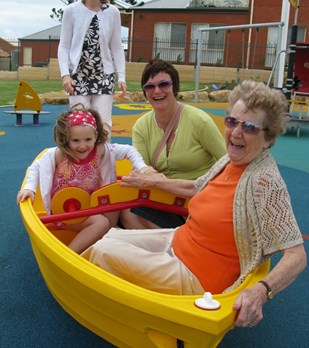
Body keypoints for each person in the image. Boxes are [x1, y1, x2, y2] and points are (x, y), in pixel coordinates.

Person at [82, 80, 306, 328]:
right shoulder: (228, 161)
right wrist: (154, 183)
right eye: (232, 122)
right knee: (108, 238)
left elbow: (297, 255)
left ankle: (100, 306)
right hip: (180, 240)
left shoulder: (265, 181)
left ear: (268, 139)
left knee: (103, 252)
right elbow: (196, 186)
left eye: (250, 127)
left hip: (198, 276)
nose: (236, 133)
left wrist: (261, 292)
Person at [17, 105, 151, 254]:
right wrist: (29, 188)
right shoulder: (60, 155)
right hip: (64, 212)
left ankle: (119, 239)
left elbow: (129, 150)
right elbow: (36, 167)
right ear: (66, 139)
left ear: (96, 136)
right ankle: (69, 254)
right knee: (101, 222)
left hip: (89, 205)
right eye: (75, 140)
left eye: (88, 139)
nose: (82, 146)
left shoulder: (100, 150)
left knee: (117, 203)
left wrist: (142, 167)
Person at [121, 59, 226, 229]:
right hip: (165, 199)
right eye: (150, 86)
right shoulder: (141, 127)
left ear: (174, 88)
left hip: (198, 198)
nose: (157, 91)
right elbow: (142, 170)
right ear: (145, 92)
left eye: (164, 84)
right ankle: (173, 245)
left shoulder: (199, 121)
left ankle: (173, 243)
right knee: (126, 211)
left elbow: (228, 163)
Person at [58, 0, 126, 135]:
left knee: (103, 127)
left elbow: (117, 46)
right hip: (77, 77)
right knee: (79, 126)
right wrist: (65, 75)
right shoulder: (71, 11)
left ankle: (103, 162)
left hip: (103, 77)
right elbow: (64, 45)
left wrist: (122, 77)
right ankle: (80, 162)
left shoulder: (112, 12)